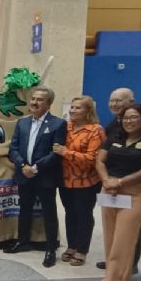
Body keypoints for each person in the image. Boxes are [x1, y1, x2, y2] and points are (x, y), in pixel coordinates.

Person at [97, 103, 141, 281]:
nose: (129, 121)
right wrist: (106, 180)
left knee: (124, 239)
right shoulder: (114, 139)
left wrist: (119, 182)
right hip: (109, 191)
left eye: (134, 117)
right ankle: (112, 274)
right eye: (126, 118)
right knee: (110, 237)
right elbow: (100, 161)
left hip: (136, 194)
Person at [4, 85, 66, 268]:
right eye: (33, 99)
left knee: (48, 212)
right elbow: (13, 148)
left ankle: (51, 248)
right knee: (24, 209)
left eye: (39, 100)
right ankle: (23, 241)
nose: (34, 102)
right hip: (23, 173)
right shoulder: (22, 122)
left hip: (45, 175)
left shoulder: (58, 124)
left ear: (49, 103)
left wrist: (36, 168)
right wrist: (23, 165)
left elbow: (56, 153)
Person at [53, 96, 105, 267]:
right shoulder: (65, 127)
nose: (73, 111)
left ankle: (82, 250)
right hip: (65, 180)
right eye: (72, 107)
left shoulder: (95, 130)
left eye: (78, 108)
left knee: (83, 215)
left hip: (86, 182)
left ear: (88, 111)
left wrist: (65, 152)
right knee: (70, 214)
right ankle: (72, 246)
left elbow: (92, 158)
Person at [97, 87, 141, 271]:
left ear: (131, 103)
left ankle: (130, 263)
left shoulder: (139, 126)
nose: (114, 104)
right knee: (112, 224)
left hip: (130, 183)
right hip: (110, 181)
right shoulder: (113, 124)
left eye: (119, 101)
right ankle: (114, 260)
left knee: (130, 226)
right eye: (112, 100)